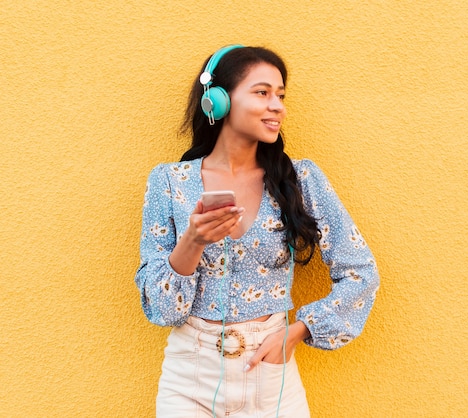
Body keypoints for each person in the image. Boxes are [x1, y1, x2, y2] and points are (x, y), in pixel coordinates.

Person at [134, 45, 379, 418]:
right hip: (189, 378)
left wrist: (298, 331)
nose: (277, 105)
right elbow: (162, 309)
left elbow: (361, 271)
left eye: (280, 95)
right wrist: (193, 241)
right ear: (217, 100)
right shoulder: (169, 182)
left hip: (271, 377)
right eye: (262, 92)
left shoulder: (301, 179)